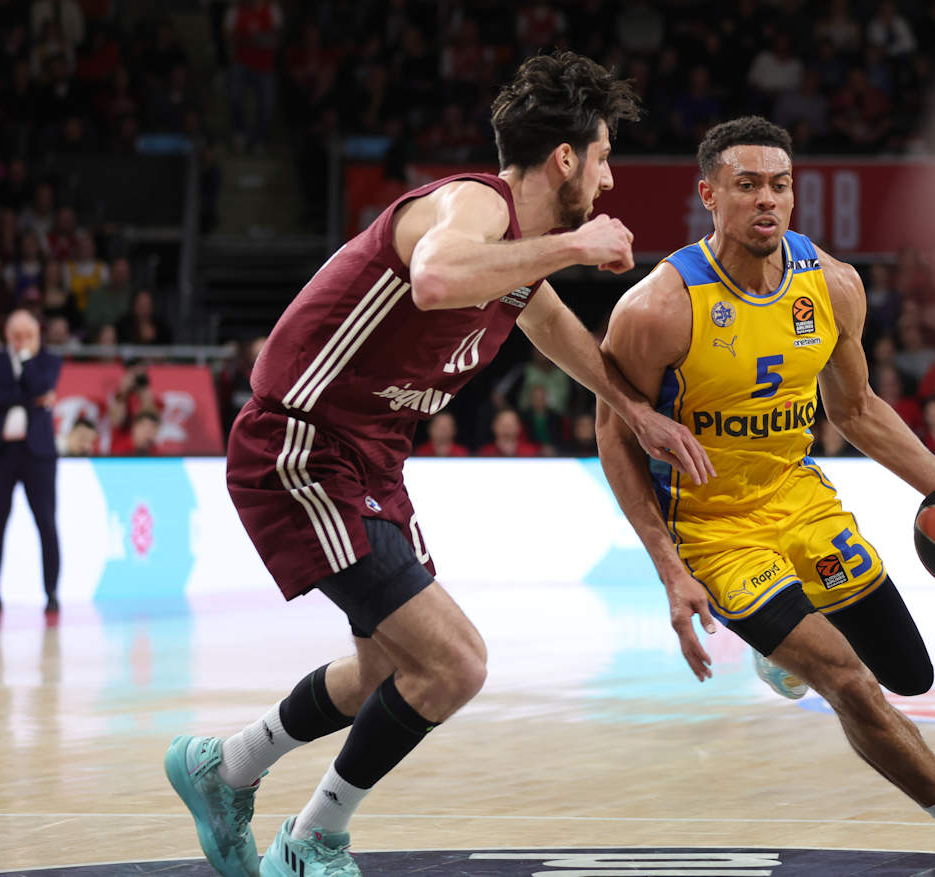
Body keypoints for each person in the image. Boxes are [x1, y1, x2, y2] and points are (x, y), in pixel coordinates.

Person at [163, 51, 713, 877]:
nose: (608, 180)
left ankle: (226, 767)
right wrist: (573, 244)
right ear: (565, 158)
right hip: (302, 445)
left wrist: (635, 411)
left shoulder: (517, 254)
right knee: (455, 663)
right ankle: (312, 839)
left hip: (370, 459)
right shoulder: (473, 204)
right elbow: (435, 277)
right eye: (603, 158)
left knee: (387, 669)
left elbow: (549, 323)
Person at [594, 117, 935, 877]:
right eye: (746, 185)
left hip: (801, 499)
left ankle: (780, 650)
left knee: (909, 674)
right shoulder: (657, 308)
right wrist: (670, 568)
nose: (766, 200)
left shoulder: (832, 285)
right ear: (708, 195)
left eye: (779, 185)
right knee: (852, 683)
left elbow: (857, 409)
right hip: (714, 528)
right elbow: (614, 436)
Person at [0, 310, 62, 614]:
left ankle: (51, 593)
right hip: (1, 454)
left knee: (46, 522)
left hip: (38, 455)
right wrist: (35, 398)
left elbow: (41, 385)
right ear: (8, 334)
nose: (22, 340)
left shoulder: (48, 360)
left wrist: (26, 360)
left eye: (28, 335)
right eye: (17, 335)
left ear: (37, 335)